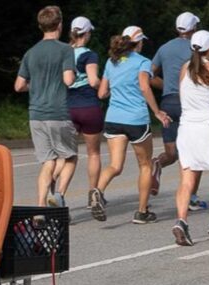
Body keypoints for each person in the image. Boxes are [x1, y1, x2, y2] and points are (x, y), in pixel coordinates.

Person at [90, 26, 171, 223]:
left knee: (115, 165)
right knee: (144, 165)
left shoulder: (112, 61)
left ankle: (97, 191)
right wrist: (157, 112)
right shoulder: (143, 62)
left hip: (114, 118)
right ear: (140, 42)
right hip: (136, 119)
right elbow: (144, 86)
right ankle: (142, 212)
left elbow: (101, 93)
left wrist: (115, 93)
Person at [172, 30, 209, 246]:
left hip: (187, 129)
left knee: (187, 180)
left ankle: (181, 220)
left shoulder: (184, 69)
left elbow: (182, 96)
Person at [14, 6, 78, 208]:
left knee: (48, 162)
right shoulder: (66, 50)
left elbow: (19, 85)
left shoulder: (30, 53)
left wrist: (37, 84)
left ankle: (41, 207)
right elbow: (68, 80)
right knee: (69, 157)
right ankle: (58, 195)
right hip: (58, 112)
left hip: (36, 114)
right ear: (59, 25)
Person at [149, 11, 208, 210]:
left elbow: (149, 75)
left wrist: (166, 85)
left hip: (167, 102)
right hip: (188, 103)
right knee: (195, 153)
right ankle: (191, 196)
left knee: (172, 152)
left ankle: (157, 163)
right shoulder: (195, 48)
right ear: (194, 29)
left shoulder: (164, 48)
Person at [67, 16, 105, 208]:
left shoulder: (64, 53)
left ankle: (59, 195)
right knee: (93, 153)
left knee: (65, 155)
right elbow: (93, 81)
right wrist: (106, 86)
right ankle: (93, 194)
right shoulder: (89, 55)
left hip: (68, 108)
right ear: (87, 33)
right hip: (88, 106)